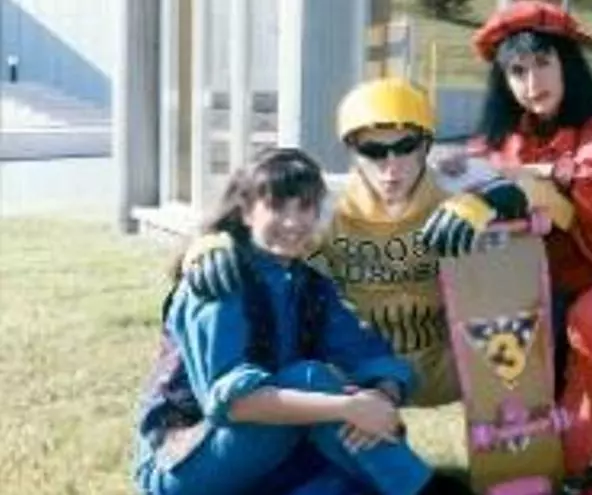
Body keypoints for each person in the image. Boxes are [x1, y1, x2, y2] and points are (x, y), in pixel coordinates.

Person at [420, 2, 592, 493]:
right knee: (549, 453)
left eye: (543, 63)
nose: (531, 81)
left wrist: (558, 177)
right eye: (517, 71)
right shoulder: (487, 150)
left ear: (569, 65)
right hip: (534, 305)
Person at [133, 148, 471, 495]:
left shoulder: (307, 282)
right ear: (247, 212)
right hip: (188, 459)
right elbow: (234, 404)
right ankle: (428, 490)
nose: (293, 223)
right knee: (310, 380)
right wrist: (349, 407)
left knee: (353, 484)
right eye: (277, 207)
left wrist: (380, 396)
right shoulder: (220, 279)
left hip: (269, 445)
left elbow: (365, 351)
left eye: (305, 207)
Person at [177, 78, 527, 408]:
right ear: (353, 151)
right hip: (357, 364)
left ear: (426, 146)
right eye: (373, 150)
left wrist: (487, 201)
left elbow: (527, 190)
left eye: (405, 147)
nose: (391, 166)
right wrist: (208, 245)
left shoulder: (456, 183)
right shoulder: (325, 203)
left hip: (448, 361)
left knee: (513, 262)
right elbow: (251, 219)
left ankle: (514, 431)